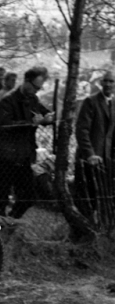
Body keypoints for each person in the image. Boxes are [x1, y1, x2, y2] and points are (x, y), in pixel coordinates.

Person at [0, 66, 54, 218]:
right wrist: (31, 122)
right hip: (5, 155)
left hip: (23, 155)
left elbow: (45, 114)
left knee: (28, 195)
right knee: (2, 193)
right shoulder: (7, 101)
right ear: (26, 81)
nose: (36, 91)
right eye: (34, 87)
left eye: (39, 88)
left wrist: (49, 118)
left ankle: (11, 220)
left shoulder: (33, 99)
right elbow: (4, 125)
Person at [73, 70, 115, 222]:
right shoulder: (91, 101)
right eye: (106, 81)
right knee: (87, 198)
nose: (109, 84)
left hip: (106, 160)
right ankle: (83, 232)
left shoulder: (114, 103)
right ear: (101, 83)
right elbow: (81, 130)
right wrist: (89, 153)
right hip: (89, 159)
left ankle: (101, 232)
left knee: (104, 197)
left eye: (112, 81)